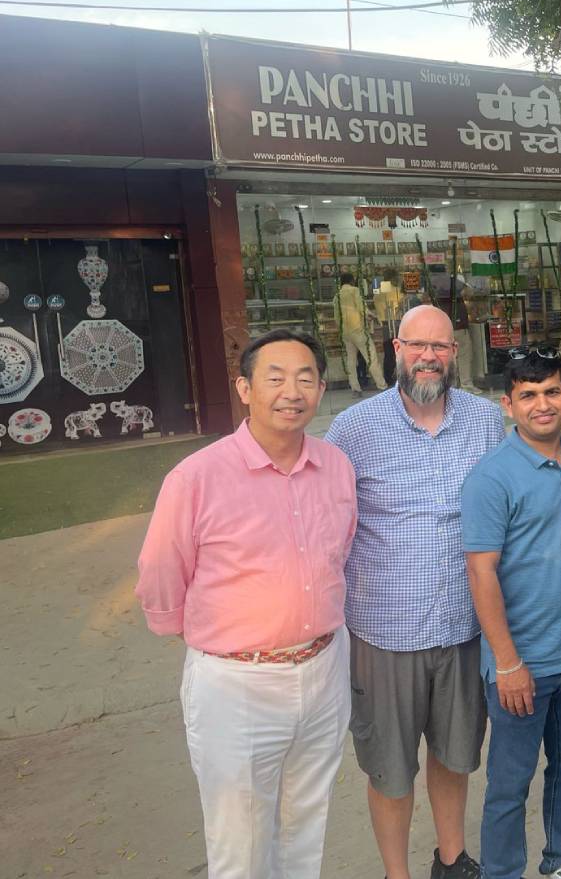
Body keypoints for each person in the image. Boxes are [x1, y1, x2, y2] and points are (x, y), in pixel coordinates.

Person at [135, 330, 356, 879]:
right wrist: (192, 628)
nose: (292, 391)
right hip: (237, 682)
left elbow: (341, 552)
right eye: (275, 377)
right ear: (244, 388)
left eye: (306, 378)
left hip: (324, 666)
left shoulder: (336, 466)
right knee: (240, 834)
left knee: (308, 814)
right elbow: (162, 568)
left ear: (322, 388)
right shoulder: (197, 477)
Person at [325, 305, 505, 879]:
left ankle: (451, 861)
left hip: (463, 628)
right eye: (417, 345)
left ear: (455, 354)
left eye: (441, 346)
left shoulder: (484, 420)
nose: (429, 356)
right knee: (390, 769)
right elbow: (320, 514)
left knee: (455, 758)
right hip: (384, 635)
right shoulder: (355, 428)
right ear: (395, 348)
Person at [463, 348, 561, 879]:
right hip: (521, 662)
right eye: (528, 395)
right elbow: (481, 573)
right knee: (510, 781)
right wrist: (506, 661)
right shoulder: (491, 478)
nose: (541, 404)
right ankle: (502, 871)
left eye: (551, 392)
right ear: (509, 404)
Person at [337, 272, 387, 396]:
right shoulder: (354, 291)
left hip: (346, 332)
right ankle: (382, 386)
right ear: (352, 281)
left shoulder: (336, 295)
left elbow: (337, 317)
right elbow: (362, 308)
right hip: (358, 330)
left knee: (351, 361)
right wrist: (372, 316)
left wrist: (342, 329)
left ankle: (355, 388)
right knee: (371, 358)